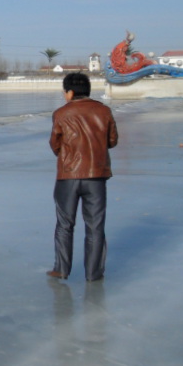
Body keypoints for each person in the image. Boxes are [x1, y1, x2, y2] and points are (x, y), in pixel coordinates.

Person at [47, 72, 118, 282]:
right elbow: (112, 141)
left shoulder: (60, 113)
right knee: (95, 226)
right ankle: (94, 273)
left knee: (64, 224)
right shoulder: (103, 111)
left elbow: (55, 144)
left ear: (69, 92)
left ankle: (61, 268)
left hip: (68, 176)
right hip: (96, 175)